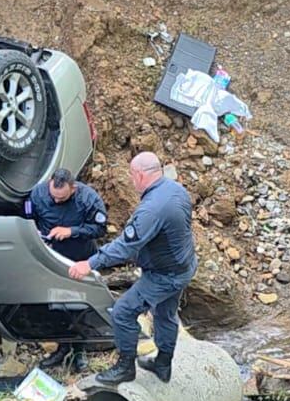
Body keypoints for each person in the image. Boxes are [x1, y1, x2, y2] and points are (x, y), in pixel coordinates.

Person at [67, 152, 195, 385]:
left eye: (131, 175)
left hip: (164, 275)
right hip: (183, 266)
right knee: (165, 313)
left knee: (123, 312)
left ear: (139, 175)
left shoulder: (151, 209)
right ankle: (163, 365)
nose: (131, 180)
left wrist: (90, 263)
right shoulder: (177, 190)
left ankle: (125, 367)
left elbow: (126, 247)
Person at [25, 168, 108, 371]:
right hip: (50, 258)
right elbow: (27, 214)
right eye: (53, 196)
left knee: (78, 305)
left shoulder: (89, 200)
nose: (56, 201)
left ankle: (80, 351)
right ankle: (62, 348)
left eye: (62, 198)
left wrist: (71, 231)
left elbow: (100, 229)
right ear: (50, 184)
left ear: (73, 188)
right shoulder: (38, 193)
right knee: (56, 305)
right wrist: (32, 230)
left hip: (79, 260)